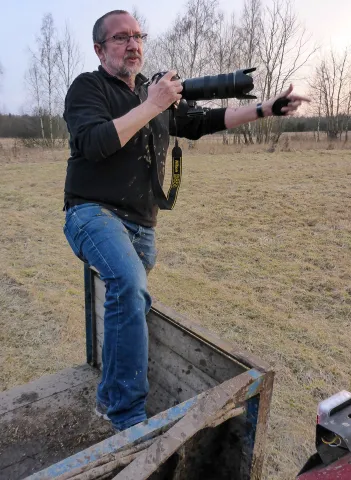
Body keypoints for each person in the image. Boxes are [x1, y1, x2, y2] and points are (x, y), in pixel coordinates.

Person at [63, 9, 310, 432]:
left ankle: (108, 397)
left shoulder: (152, 91)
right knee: (128, 284)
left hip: (141, 224)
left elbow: (203, 122)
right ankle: (128, 419)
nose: (133, 44)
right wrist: (154, 103)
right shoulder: (88, 88)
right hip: (91, 212)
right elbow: (96, 142)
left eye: (138, 36)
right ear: (99, 49)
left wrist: (266, 108)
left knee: (130, 301)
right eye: (121, 38)